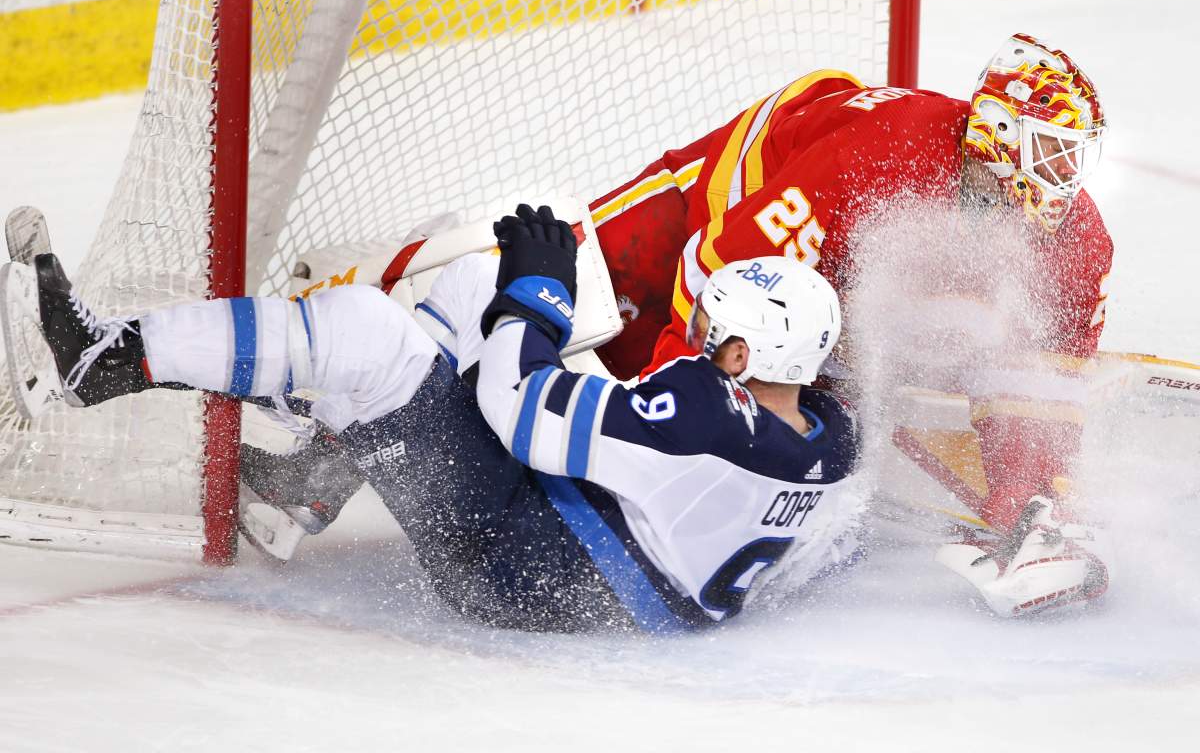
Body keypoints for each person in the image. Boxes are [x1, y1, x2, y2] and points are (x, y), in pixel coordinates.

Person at [30, 205, 860, 634]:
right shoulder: (826, 438)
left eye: (714, 325)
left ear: (744, 355)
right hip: (589, 567)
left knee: (369, 339)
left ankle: (101, 359)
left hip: (521, 566)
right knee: (470, 286)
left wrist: (539, 293)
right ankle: (311, 483)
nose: (696, 329)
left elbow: (521, 410)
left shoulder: (705, 412)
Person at [582, 33, 1112, 616]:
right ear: (1000, 131)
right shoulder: (881, 152)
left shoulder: (1080, 239)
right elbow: (716, 271)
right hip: (707, 201)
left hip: (816, 271)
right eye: (1052, 150)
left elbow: (1047, 377)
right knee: (580, 306)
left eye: (1075, 155)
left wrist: (1031, 500)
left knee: (804, 384)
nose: (1066, 176)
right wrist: (680, 422)